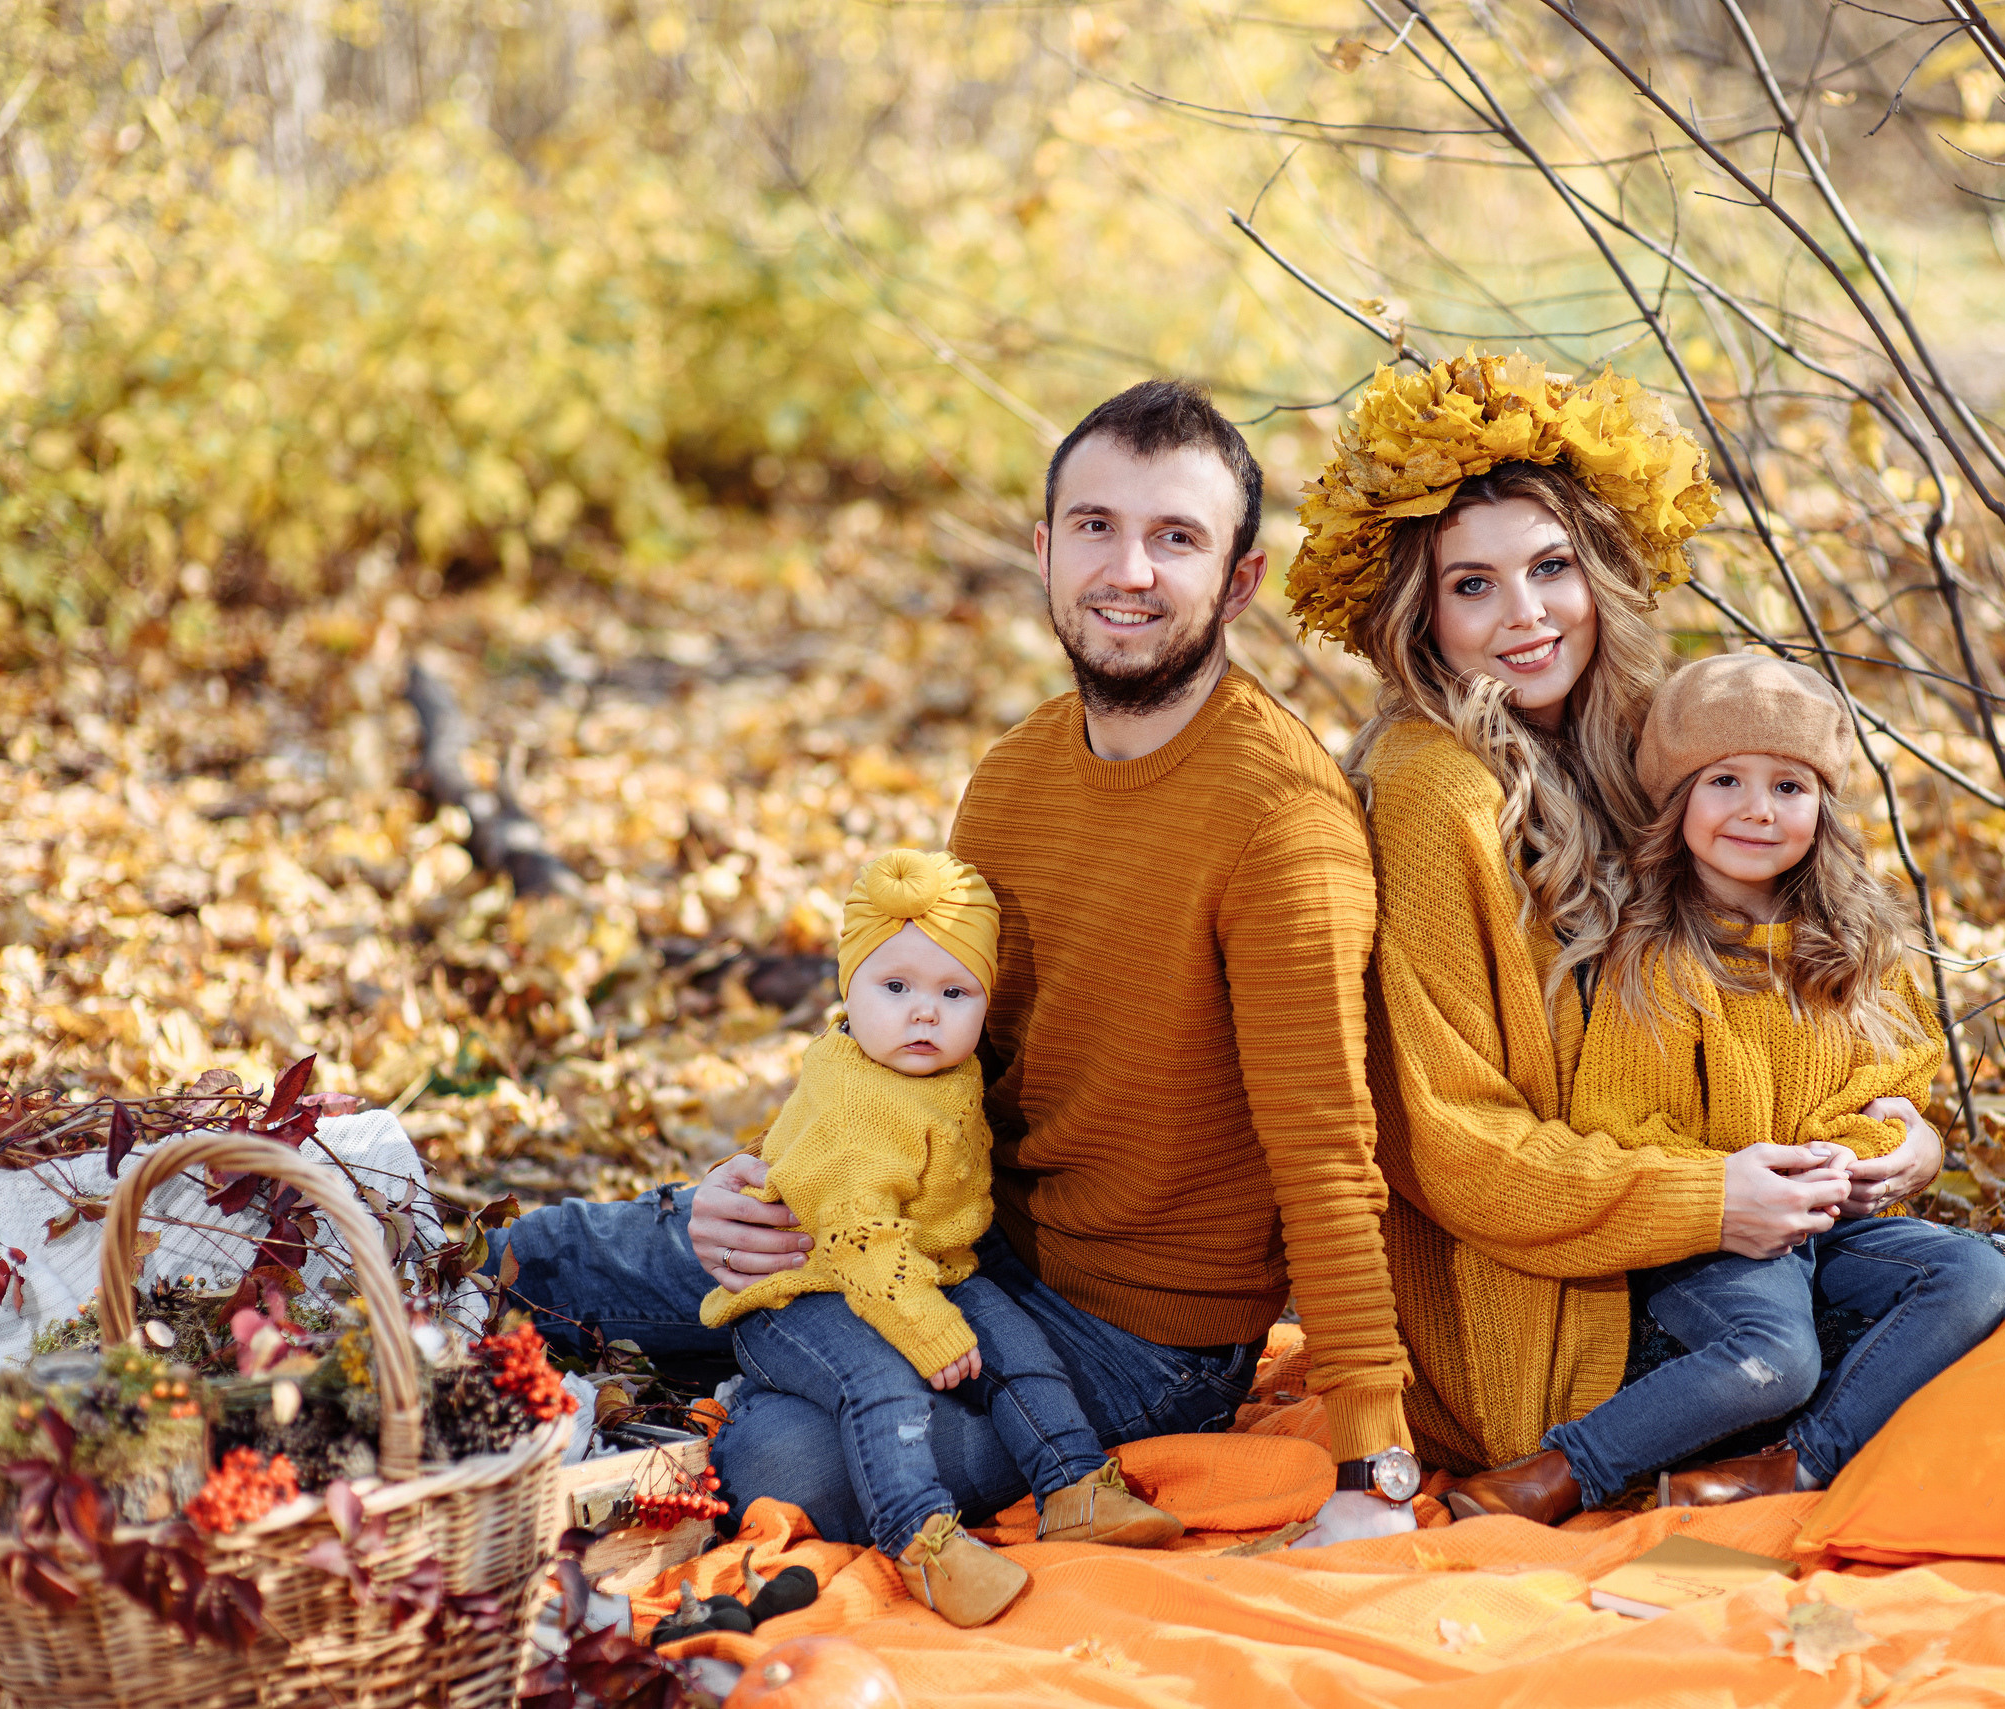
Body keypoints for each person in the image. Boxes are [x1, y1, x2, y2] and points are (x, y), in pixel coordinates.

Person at [493, 379, 1421, 1554]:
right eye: (1095, 526)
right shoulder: (1015, 774)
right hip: (934, 1229)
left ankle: (774, 1368)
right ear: (1043, 549)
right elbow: (917, 1044)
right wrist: (782, 1176)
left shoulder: (1281, 821)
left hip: (1129, 1335)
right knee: (543, 1256)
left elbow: (1329, 1148)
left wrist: (1373, 1462)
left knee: (787, 1461)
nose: (1126, 570)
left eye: (1174, 538)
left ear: (1238, 580)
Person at [1279, 352, 1952, 1518]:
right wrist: (1705, 1203)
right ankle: (1608, 1466)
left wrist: (1900, 1127)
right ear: (1419, 612)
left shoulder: (1647, 742)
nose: (1527, 615)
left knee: (1977, 1293)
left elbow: (1785, 979)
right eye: (1473, 586)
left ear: (1600, 569)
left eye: (1550, 567)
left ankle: (1778, 1459)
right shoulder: (1436, 788)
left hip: (1711, 1236)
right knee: (1822, 1355)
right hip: (1545, 1317)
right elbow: (1452, 1145)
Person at [1450, 653, 2005, 1521]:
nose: (1758, 809)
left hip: (1835, 1222)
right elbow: (1621, 1121)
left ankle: (1799, 1462)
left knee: (1975, 1274)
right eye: (1724, 780)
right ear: (1677, 803)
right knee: (1776, 1354)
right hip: (1719, 1237)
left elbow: (1896, 1085)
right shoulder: (1657, 955)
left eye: (1790, 785)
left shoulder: (1853, 944)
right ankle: (1571, 1468)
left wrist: (1899, 1146)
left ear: (1822, 805)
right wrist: (1743, 1174)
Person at [698, 849, 1180, 1627]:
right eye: (896, 987)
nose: (925, 1011)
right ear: (846, 988)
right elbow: (857, 1238)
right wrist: (927, 1326)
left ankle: (1075, 1483)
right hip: (799, 1291)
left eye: (955, 992)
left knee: (1018, 1346)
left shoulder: (934, 1070)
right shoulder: (857, 1104)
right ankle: (921, 1541)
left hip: (922, 1263)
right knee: (881, 1383)